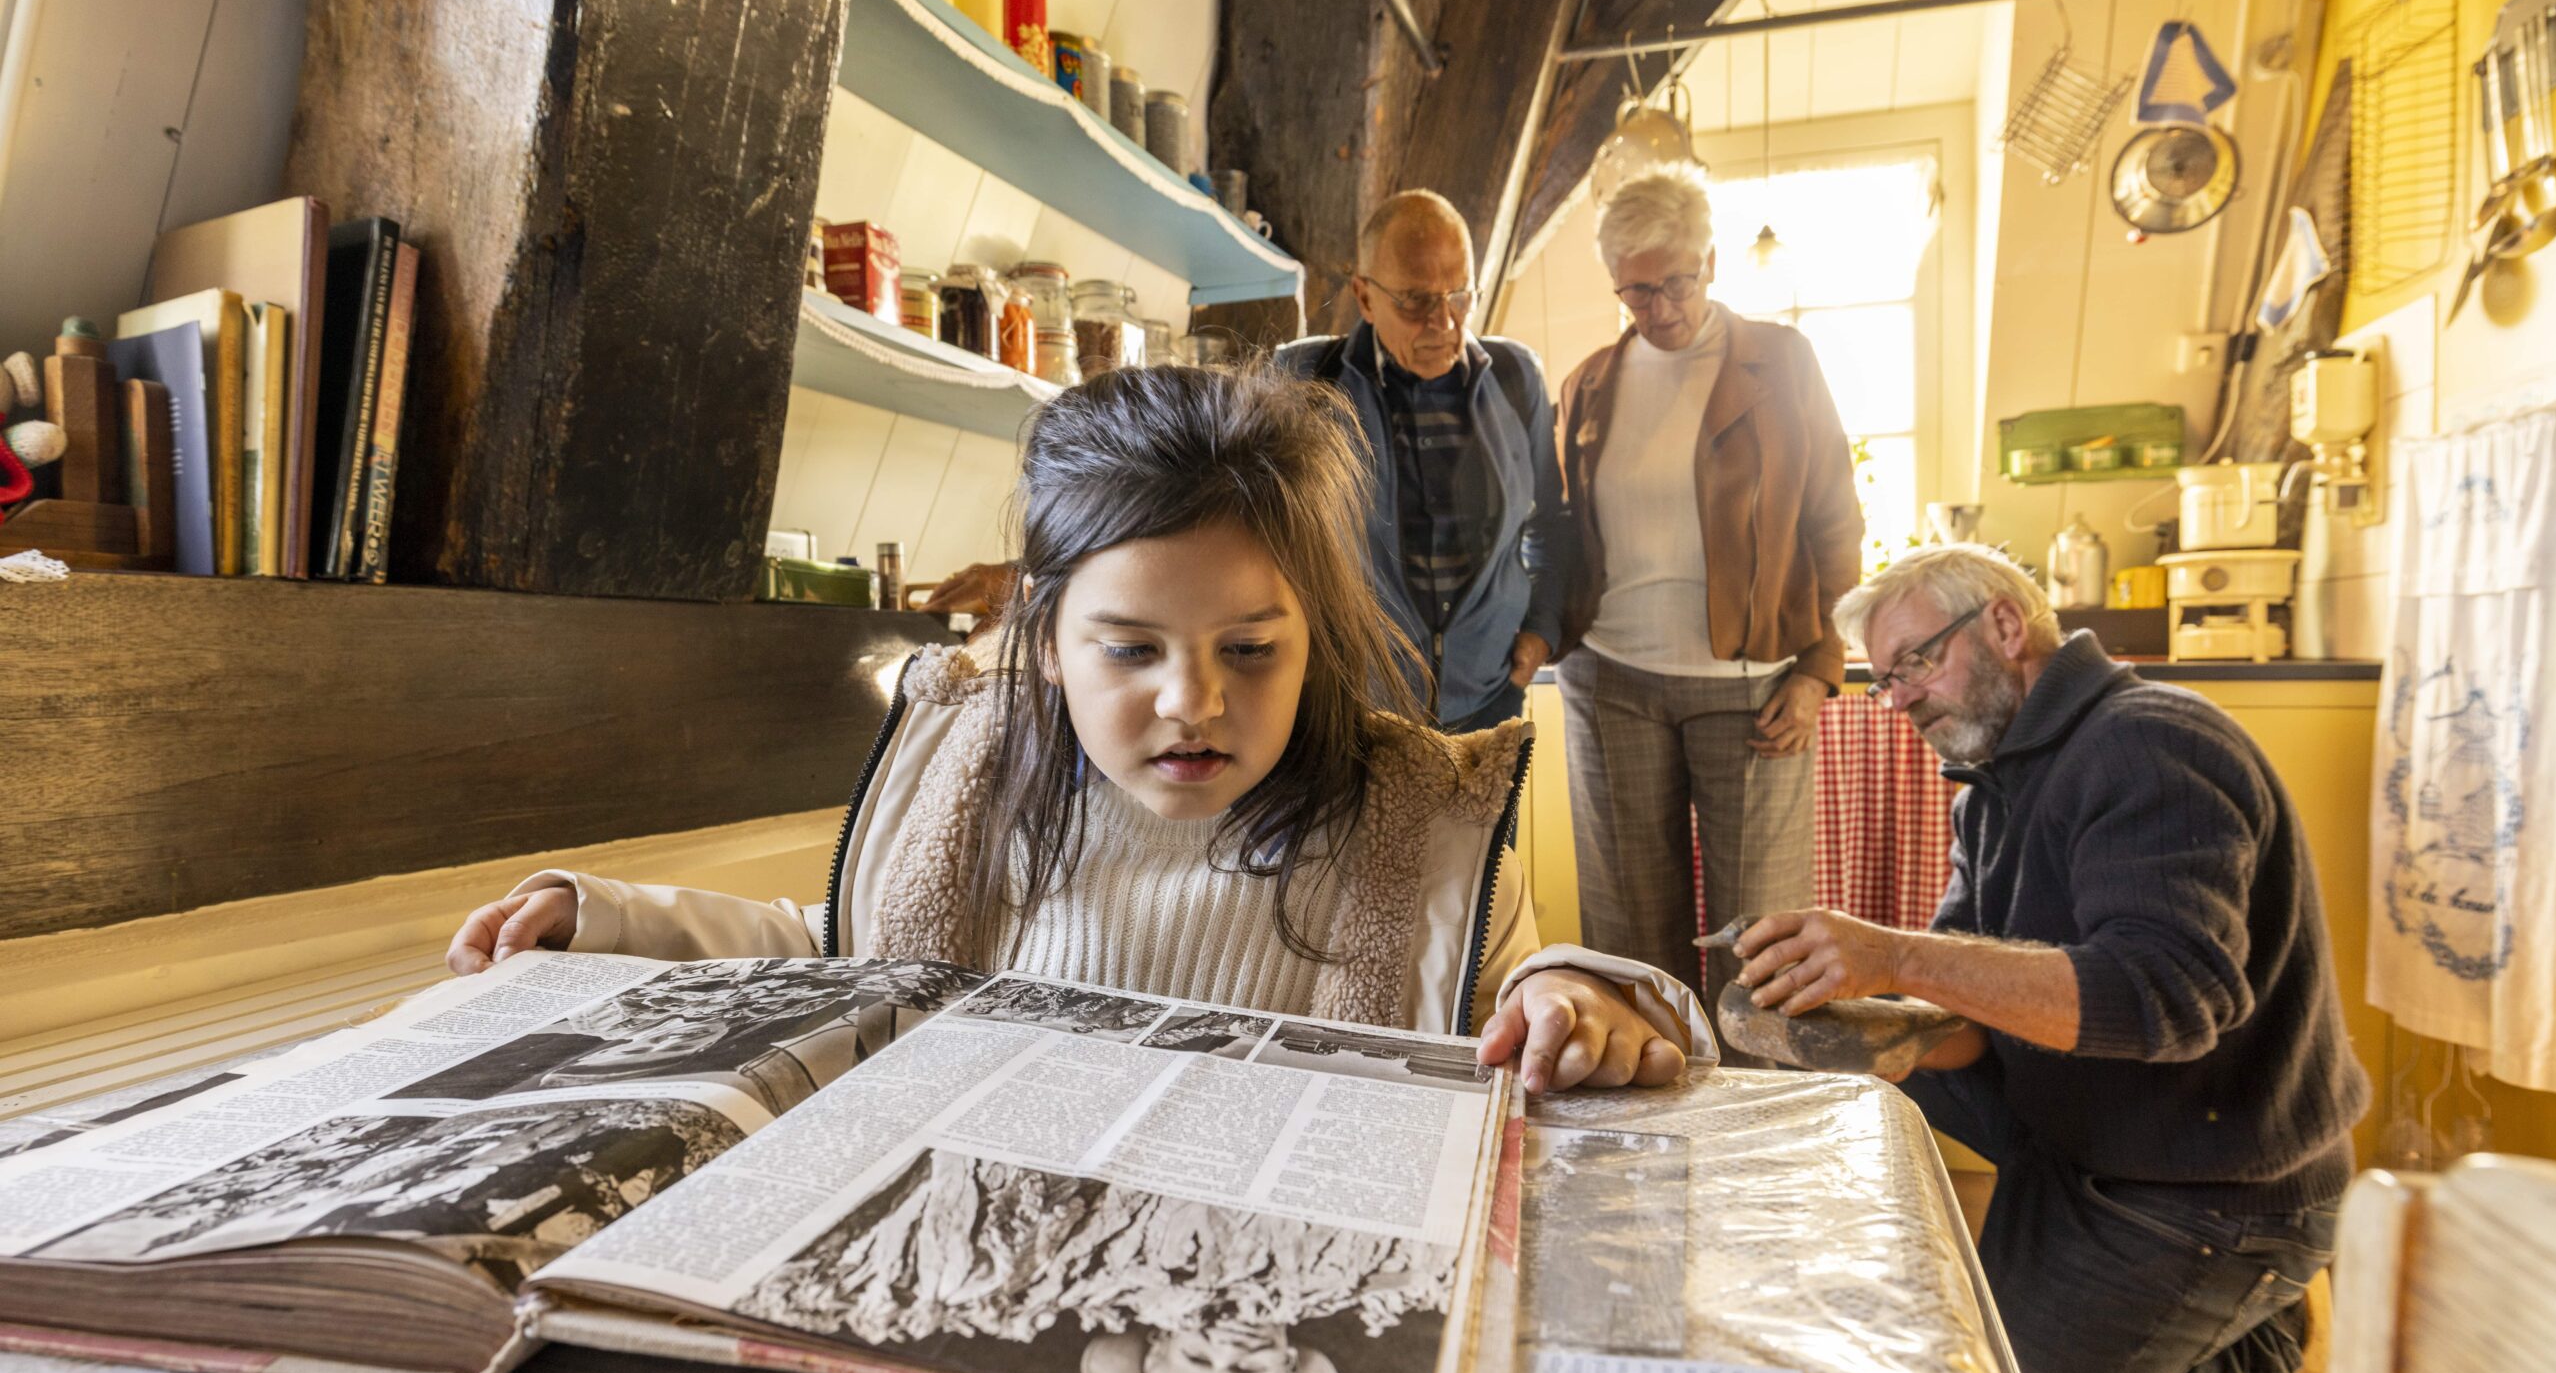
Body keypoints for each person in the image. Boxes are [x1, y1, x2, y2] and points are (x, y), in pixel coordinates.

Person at [446, 364, 1713, 1096]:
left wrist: (1574, 992)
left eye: (1250, 649)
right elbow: (841, 955)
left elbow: (1517, 990)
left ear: (1314, 635)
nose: (1191, 701)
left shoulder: (1411, 823)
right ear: (1047, 644)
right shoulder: (973, 783)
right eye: (1130, 649)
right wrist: (604, 921)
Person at [1728, 543, 2370, 1373]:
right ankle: (2261, 1348)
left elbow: (2167, 998)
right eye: (1883, 678)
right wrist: (1837, 1018)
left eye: (1914, 663)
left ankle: (2265, 1318)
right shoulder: (1995, 783)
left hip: (2204, 1192)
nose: (1896, 699)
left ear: (2003, 624)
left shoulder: (2151, 743)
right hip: (2078, 1148)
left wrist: (1895, 955)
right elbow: (1964, 1018)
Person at [1551, 163, 1862, 1004]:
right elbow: (1562, 532)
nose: (1661, 309)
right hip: (1611, 679)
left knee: (1757, 943)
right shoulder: (1589, 384)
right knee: (1630, 941)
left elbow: (1834, 518)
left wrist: (1818, 668)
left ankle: (1756, 1125)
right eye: (1636, 292)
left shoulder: (1782, 364)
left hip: (1752, 683)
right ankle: (1648, 1115)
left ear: (1712, 262)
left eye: (1676, 282)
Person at [1273, 191, 1572, 731]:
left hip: (1490, 699)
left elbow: (1548, 519)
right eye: (1414, 300)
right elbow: (1268, 538)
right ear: (1365, 297)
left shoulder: (1514, 376)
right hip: (1354, 709)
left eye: (1459, 295)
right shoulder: (1305, 379)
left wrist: (1542, 626)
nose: (1443, 323)